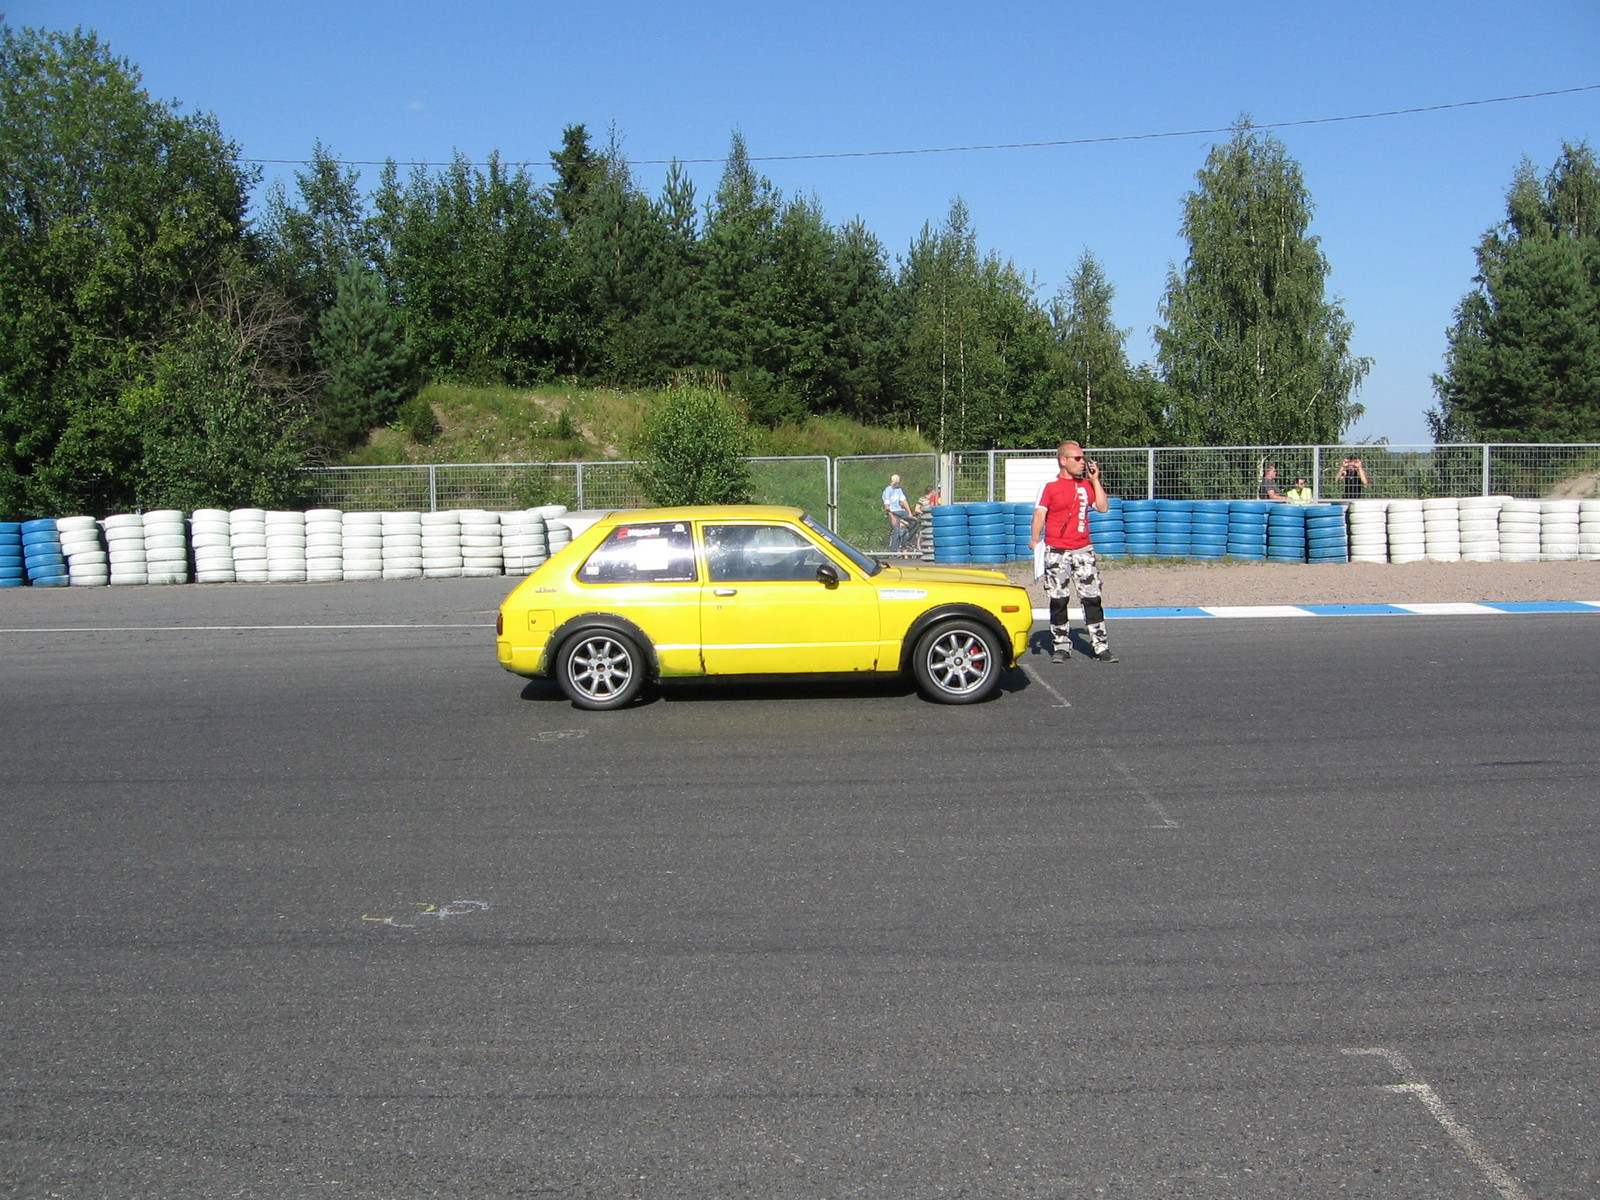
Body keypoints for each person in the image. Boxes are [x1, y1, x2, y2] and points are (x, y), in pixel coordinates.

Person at [1029, 440, 1116, 664]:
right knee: (1059, 599)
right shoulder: (1049, 486)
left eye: (1082, 458)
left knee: (1092, 597)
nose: (1081, 462)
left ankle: (1100, 645)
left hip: (1083, 549)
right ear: (1063, 460)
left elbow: (1103, 507)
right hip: (1057, 551)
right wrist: (1035, 539)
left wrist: (1095, 479)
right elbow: (1040, 514)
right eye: (1077, 458)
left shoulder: (1086, 485)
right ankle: (1061, 645)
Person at [882, 474, 913, 550]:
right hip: (892, 512)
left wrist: (909, 513)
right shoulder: (888, 490)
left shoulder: (899, 490)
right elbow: (886, 505)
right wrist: (892, 516)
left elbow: (904, 501)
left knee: (914, 522)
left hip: (900, 511)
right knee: (897, 530)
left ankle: (908, 542)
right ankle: (894, 549)